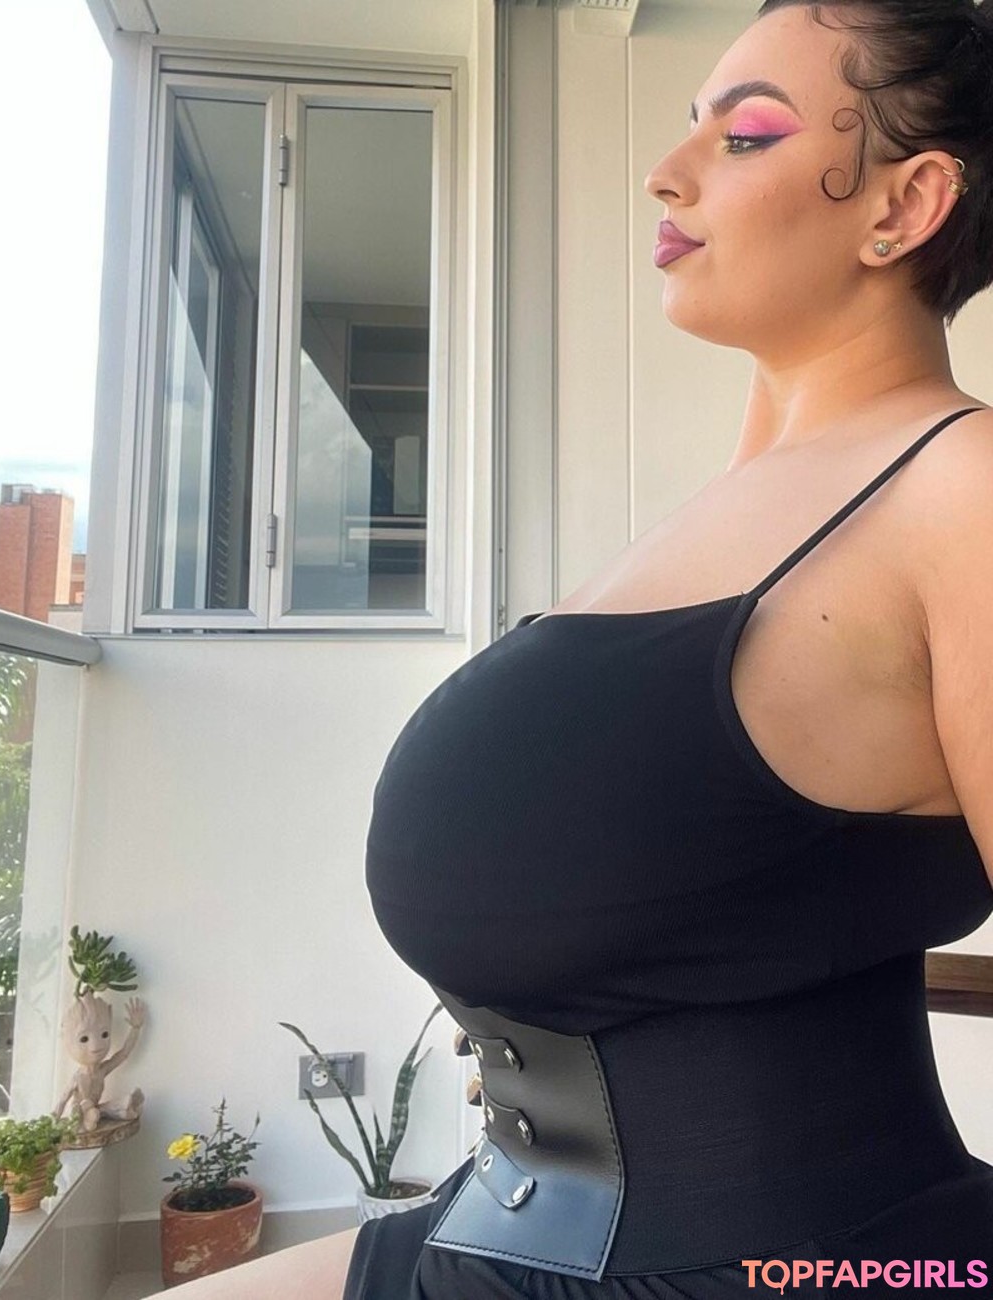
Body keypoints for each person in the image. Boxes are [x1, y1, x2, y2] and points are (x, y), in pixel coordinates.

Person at [170, 1, 993, 1296]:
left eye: (747, 135)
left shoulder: (964, 490)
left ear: (906, 203)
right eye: (689, 128)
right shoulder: (724, 513)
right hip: (502, 1220)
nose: (668, 172)